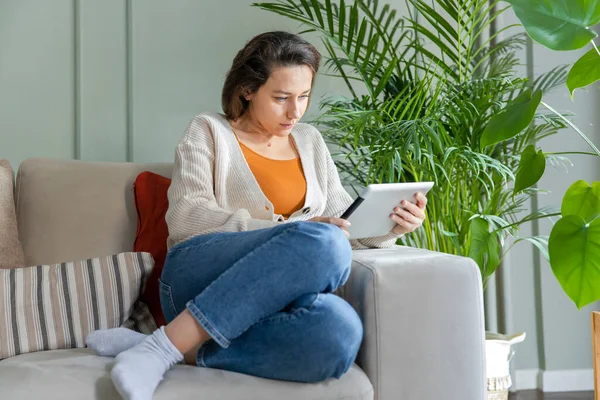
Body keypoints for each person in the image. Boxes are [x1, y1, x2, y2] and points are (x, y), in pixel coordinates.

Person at [86, 31, 428, 400]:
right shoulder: (208, 131)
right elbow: (186, 217)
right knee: (323, 242)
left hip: (274, 296)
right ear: (248, 89)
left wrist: (389, 227)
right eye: (281, 98)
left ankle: (170, 345)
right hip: (196, 274)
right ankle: (158, 351)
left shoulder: (311, 141)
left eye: (303, 97)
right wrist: (287, 231)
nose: (295, 111)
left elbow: (341, 222)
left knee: (341, 333)